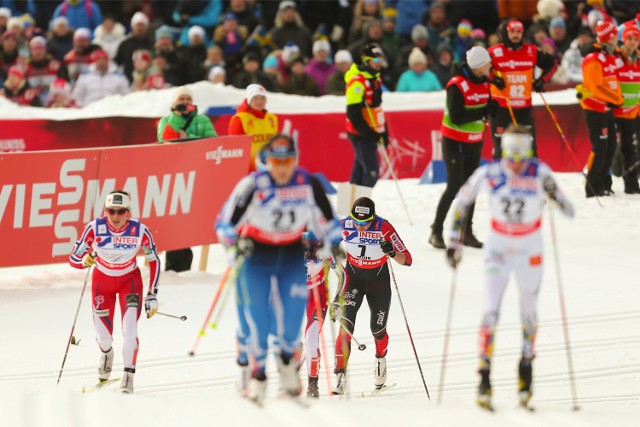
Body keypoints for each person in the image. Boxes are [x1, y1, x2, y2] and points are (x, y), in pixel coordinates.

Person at [445, 124, 574, 411]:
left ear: (528, 149)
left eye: (522, 155)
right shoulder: (488, 172)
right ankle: (484, 378)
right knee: (490, 310)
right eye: (511, 155)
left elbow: (569, 210)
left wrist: (554, 194)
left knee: (529, 311)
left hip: (530, 249)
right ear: (504, 150)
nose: (516, 163)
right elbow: (461, 202)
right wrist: (454, 242)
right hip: (498, 249)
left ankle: (526, 374)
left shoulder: (540, 171)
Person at [216, 134, 342, 405]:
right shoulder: (252, 184)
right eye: (276, 161)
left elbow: (330, 221)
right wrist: (233, 243)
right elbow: (224, 223)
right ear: (266, 161)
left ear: (294, 160)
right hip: (258, 256)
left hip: (290, 255)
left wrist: (331, 242)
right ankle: (258, 375)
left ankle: (287, 369)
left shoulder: (308, 183)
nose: (282, 167)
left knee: (291, 324)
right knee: (259, 325)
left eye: (287, 161)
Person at [68, 190, 161, 394]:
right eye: (112, 211)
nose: (116, 217)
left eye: (121, 211)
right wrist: (83, 261)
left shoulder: (140, 230)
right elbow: (73, 257)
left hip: (130, 281)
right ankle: (107, 353)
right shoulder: (95, 228)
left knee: (129, 329)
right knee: (102, 336)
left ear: (128, 212)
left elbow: (154, 260)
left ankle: (128, 376)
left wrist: (152, 294)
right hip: (102, 281)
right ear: (106, 211)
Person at [332, 197, 412, 395]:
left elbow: (407, 259)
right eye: (356, 222)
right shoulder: (344, 225)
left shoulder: (384, 227)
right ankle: (340, 375)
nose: (360, 227)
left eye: (365, 222)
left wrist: (392, 252)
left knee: (377, 328)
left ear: (373, 217)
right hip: (353, 281)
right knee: (345, 327)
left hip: (378, 282)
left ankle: (380, 359)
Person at [429, 46, 498, 250]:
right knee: (454, 186)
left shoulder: (485, 82)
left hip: (475, 142)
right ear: (478, 66)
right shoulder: (456, 85)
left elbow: (483, 110)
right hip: (455, 142)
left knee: (471, 188)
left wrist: (489, 112)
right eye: (487, 63)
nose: (490, 66)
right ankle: (436, 231)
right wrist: (484, 111)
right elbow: (457, 118)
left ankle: (466, 231)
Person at [488, 19, 557, 159]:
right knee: (501, 149)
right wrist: (493, 79)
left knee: (530, 148)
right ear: (505, 33)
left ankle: (531, 179)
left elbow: (552, 64)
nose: (515, 35)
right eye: (512, 32)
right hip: (501, 108)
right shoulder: (494, 52)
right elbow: (478, 70)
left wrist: (541, 81)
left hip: (523, 109)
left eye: (518, 32)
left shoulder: (531, 50)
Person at [578, 20, 623, 197]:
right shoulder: (593, 60)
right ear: (608, 39)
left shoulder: (609, 56)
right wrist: (616, 99)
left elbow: (612, 81)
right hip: (595, 108)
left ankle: (604, 183)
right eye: (614, 38)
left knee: (611, 146)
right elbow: (597, 87)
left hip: (607, 107)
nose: (617, 41)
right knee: (600, 147)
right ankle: (592, 186)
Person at [302, 231, 344, 398]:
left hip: (317, 295)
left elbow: (343, 275)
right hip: (293, 295)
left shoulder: (325, 249)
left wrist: (337, 300)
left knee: (312, 338)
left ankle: (313, 384)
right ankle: (297, 351)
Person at [345, 44, 388, 188]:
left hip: (371, 132)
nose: (379, 64)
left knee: (358, 173)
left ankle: (349, 206)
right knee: (371, 173)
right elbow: (353, 114)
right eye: (375, 61)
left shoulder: (375, 79)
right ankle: (360, 206)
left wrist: (384, 131)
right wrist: (370, 134)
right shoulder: (357, 83)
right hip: (361, 134)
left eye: (380, 61)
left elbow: (377, 109)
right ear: (366, 61)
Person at [612, 25, 640, 194]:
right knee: (625, 146)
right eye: (630, 38)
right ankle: (628, 182)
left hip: (636, 110)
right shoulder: (615, 58)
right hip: (619, 111)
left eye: (636, 39)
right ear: (623, 39)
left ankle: (632, 182)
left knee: (634, 147)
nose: (633, 42)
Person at [228, 83, 279, 172]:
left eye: (262, 98)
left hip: (268, 167)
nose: (259, 102)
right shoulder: (239, 119)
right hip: (247, 170)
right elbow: (235, 151)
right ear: (249, 100)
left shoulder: (272, 119)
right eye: (255, 98)